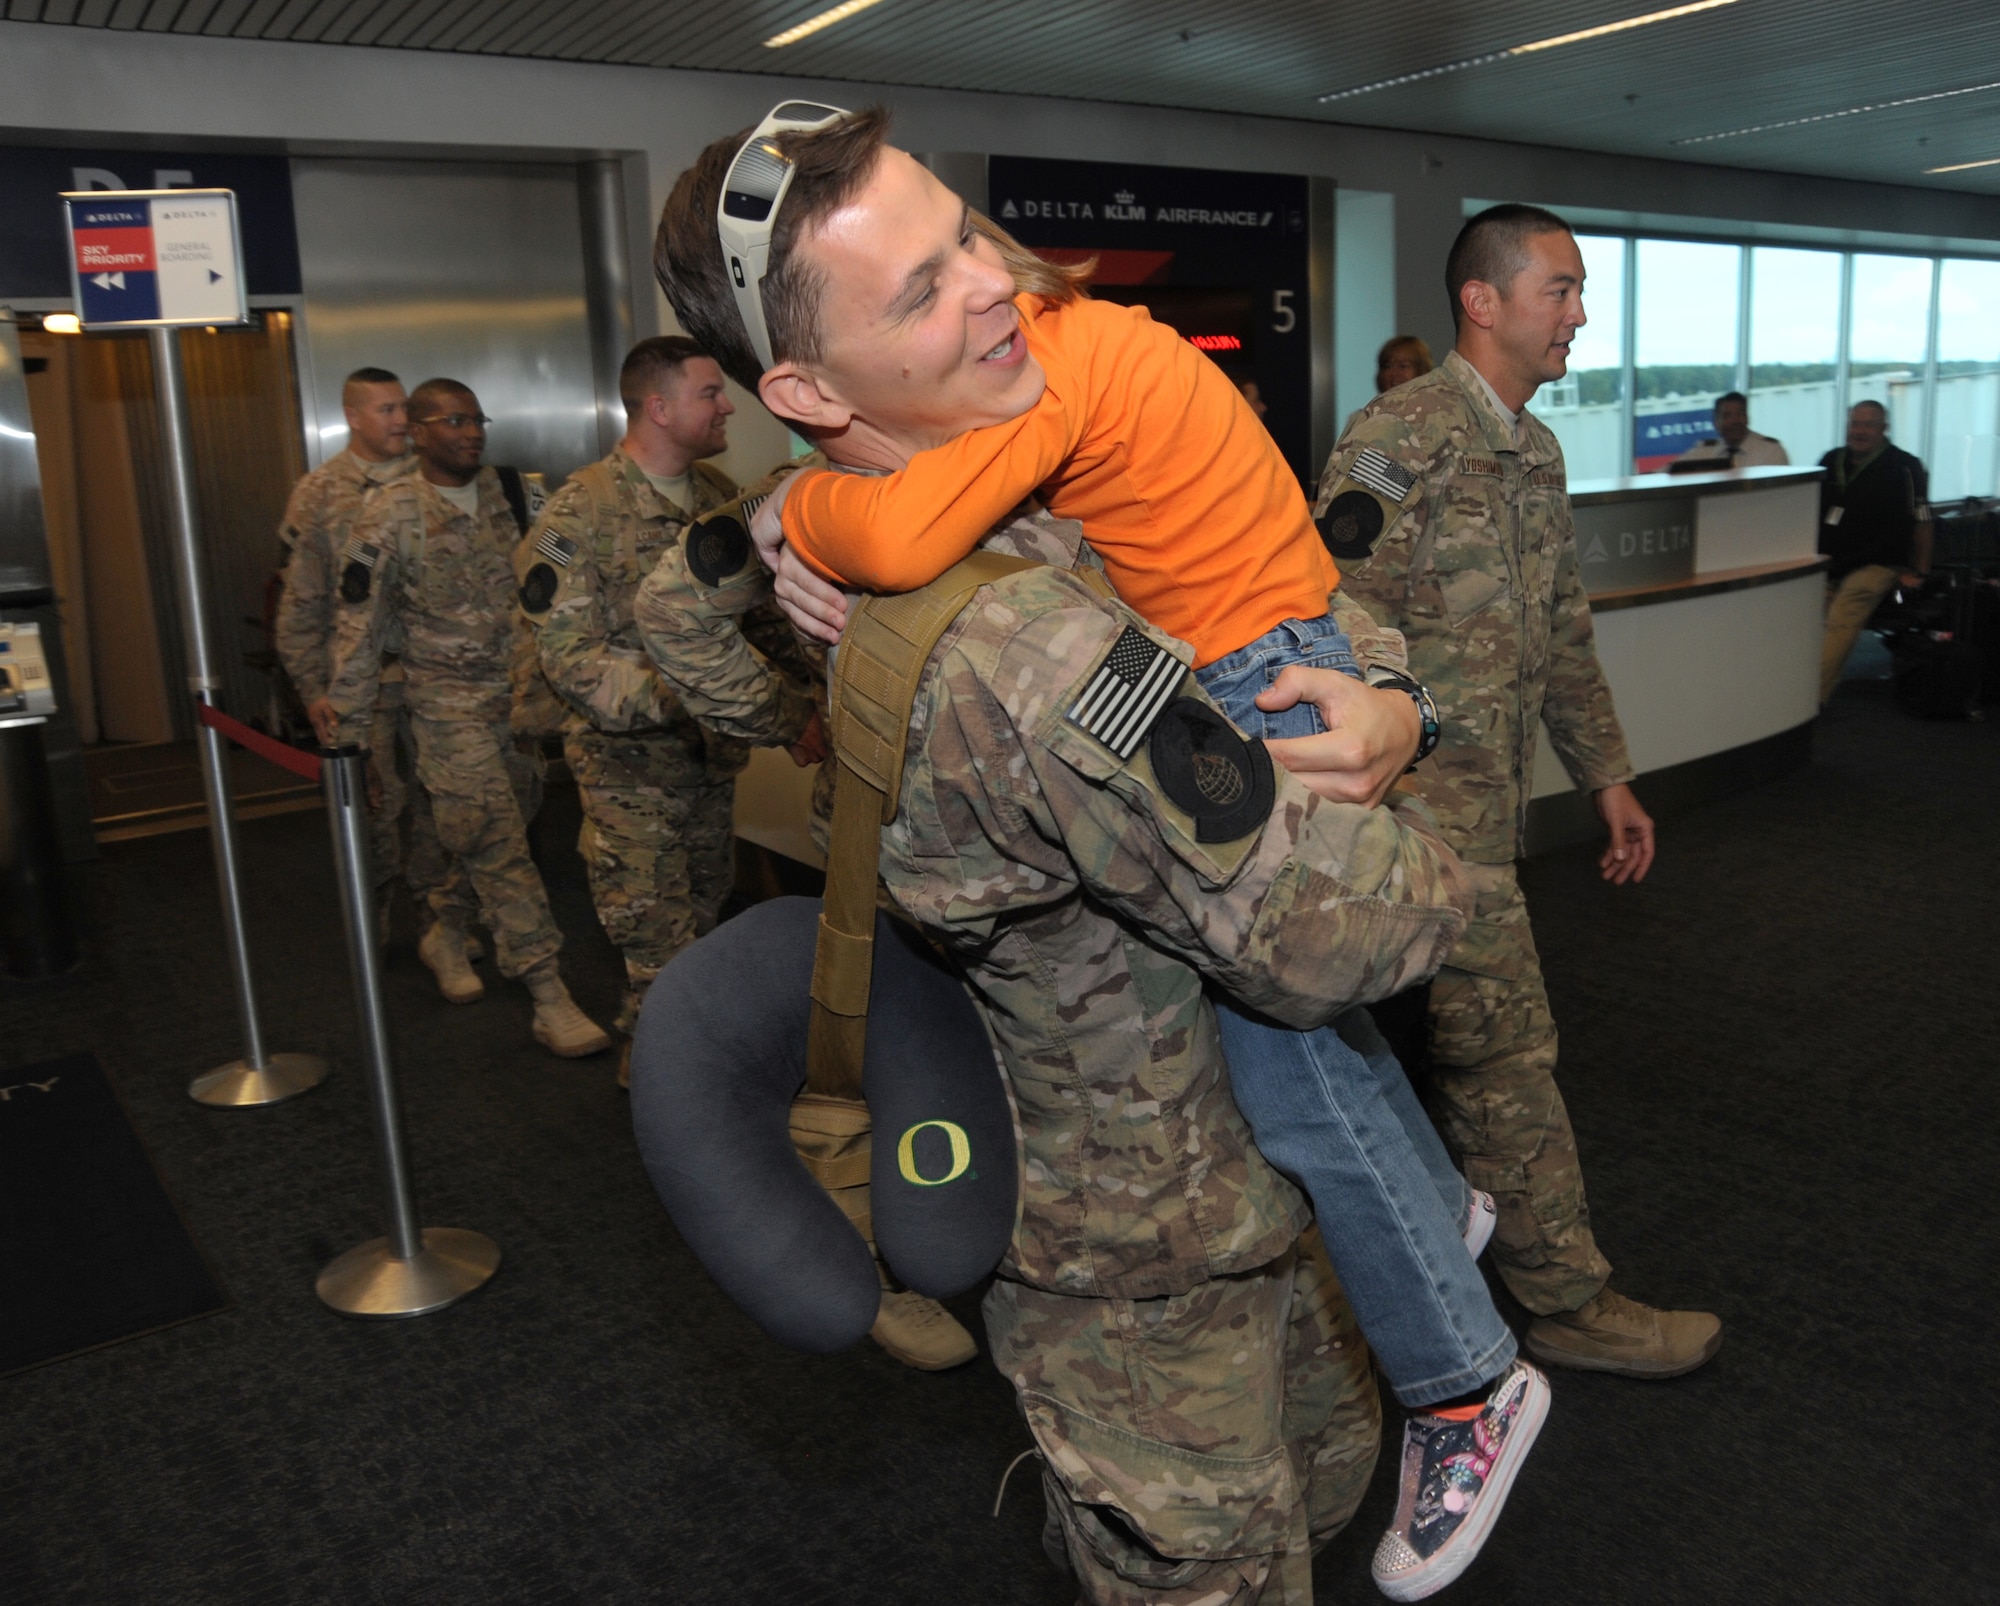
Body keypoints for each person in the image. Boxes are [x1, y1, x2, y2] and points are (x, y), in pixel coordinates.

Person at [649, 104, 1544, 1603]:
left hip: (1253, 1200)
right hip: (1151, 1257)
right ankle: (1464, 1357)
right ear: (801, 380)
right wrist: (1440, 839)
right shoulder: (1016, 644)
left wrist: (1394, 700)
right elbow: (1350, 929)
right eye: (921, 290)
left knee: (1313, 1504)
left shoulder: (994, 482)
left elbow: (1256, 599)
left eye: (964, 244)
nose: (995, 287)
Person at [1319, 203, 1723, 1380]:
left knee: (1417, 1057)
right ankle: (1565, 1297)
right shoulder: (1397, 437)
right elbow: (1331, 609)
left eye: (1579, 290)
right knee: (1504, 1054)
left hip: (1491, 816)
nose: (1579, 314)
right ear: (1481, 302)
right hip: (1415, 825)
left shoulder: (1532, 450)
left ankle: (1394, 1278)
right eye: (1559, 289)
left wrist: (1607, 775)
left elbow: (1557, 633)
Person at [515, 336, 814, 1087]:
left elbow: (764, 618)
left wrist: (809, 694)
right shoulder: (578, 513)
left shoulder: (719, 496)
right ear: (658, 406)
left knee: (704, 914)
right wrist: (709, 692)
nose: (727, 406)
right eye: (711, 393)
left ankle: (666, 1052)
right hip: (627, 771)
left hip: (710, 761)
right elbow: (569, 659)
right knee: (652, 928)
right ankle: (670, 1081)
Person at [323, 378, 612, 1059]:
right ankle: (548, 991)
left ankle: (445, 930)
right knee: (496, 840)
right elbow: (357, 627)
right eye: (452, 420)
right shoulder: (388, 513)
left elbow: (558, 563)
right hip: (444, 706)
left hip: (518, 704)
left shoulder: (519, 494)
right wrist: (350, 736)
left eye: (476, 419)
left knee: (490, 826)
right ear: (417, 431)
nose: (471, 432)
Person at [274, 367, 476, 956]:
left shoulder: (439, 481)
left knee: (447, 810)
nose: (398, 421)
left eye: (404, 410)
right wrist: (315, 690)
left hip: (439, 681)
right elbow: (301, 602)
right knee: (377, 816)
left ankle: (442, 923)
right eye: (385, 410)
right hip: (362, 687)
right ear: (353, 417)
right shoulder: (319, 492)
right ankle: (375, 915)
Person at [1816, 400, 1932, 704]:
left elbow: (1922, 520)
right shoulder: (1830, 460)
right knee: (1797, 608)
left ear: (1884, 428)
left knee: (1845, 609)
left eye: (1868, 425)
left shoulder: (1905, 466)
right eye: (1855, 424)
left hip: (1878, 564)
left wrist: (1919, 570)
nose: (1860, 431)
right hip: (1830, 563)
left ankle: (1808, 699)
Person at [1674, 391, 1789, 468]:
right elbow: (1667, 473)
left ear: (1747, 418)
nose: (1735, 421)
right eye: (1727, 416)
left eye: (1740, 415)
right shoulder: (1703, 452)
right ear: (1716, 423)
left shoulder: (1771, 451)